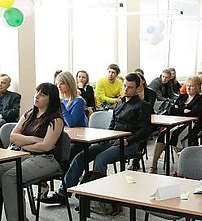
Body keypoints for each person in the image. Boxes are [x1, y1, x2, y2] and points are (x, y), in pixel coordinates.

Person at [42, 73, 153, 204]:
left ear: (137, 88)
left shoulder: (143, 106)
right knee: (81, 157)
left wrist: (128, 140)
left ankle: (94, 199)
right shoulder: (119, 104)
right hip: (112, 140)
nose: (125, 90)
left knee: (101, 159)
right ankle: (63, 193)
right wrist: (106, 137)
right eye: (124, 86)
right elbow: (112, 125)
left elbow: (146, 130)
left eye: (130, 87)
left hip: (129, 143)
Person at [2, 83, 64, 221]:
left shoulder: (56, 119)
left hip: (47, 159)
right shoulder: (29, 114)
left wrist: (24, 144)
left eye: (42, 94)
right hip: (25, 155)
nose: (37, 96)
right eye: (37, 92)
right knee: (1, 171)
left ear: (51, 99)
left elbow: (46, 146)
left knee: (10, 176)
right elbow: (13, 136)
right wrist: (34, 140)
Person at [149, 76, 202, 174]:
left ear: (197, 87)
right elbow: (171, 110)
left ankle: (183, 167)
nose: (188, 88)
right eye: (187, 85)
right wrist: (184, 110)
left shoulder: (200, 99)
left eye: (191, 86)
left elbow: (195, 113)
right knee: (162, 135)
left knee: (175, 136)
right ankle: (153, 166)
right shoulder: (182, 97)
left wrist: (179, 110)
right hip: (177, 123)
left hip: (192, 125)